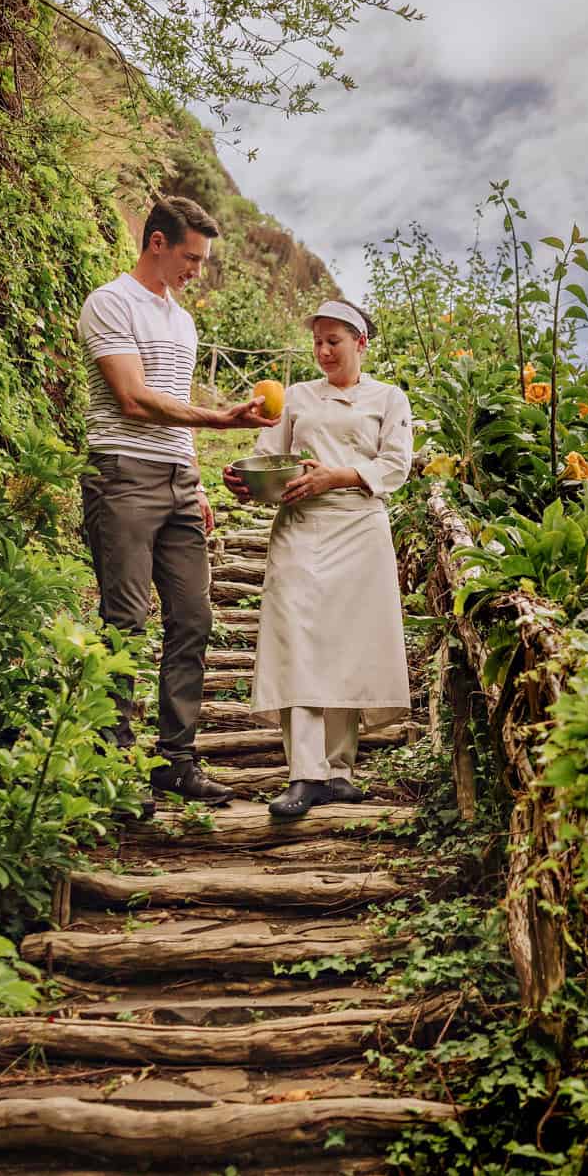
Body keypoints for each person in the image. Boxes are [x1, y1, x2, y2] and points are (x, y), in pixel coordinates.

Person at [79, 196, 278, 810]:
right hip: (122, 473)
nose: (198, 270)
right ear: (157, 243)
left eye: (204, 259)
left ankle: (175, 762)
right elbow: (135, 401)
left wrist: (192, 473)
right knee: (126, 623)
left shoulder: (183, 322)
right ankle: (111, 769)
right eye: (191, 257)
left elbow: (171, 404)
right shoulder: (108, 303)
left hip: (175, 481)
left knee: (193, 618)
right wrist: (219, 420)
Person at [223, 301, 414, 818]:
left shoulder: (389, 399)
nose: (324, 351)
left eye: (334, 341)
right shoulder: (298, 398)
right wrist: (243, 482)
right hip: (301, 527)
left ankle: (339, 769)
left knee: (347, 643)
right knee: (298, 641)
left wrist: (339, 475)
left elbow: (396, 465)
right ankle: (305, 772)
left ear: (361, 343)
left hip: (359, 527)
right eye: (318, 342)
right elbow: (268, 460)